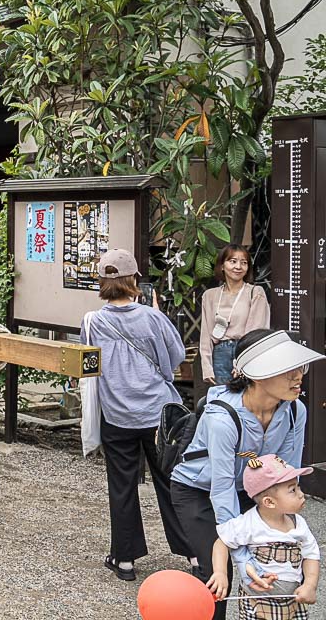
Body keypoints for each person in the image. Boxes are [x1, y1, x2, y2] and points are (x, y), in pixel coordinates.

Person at [171, 328, 324, 620]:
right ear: (257, 375)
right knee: (218, 567)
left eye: (299, 368)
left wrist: (282, 526)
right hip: (199, 490)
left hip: (250, 489)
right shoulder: (222, 419)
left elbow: (285, 476)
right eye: (287, 370)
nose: (298, 377)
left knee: (270, 565)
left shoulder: (295, 411)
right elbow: (222, 487)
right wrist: (243, 558)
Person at [80, 249, 192, 581]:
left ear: (102, 282)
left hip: (117, 414)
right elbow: (174, 357)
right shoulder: (152, 317)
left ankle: (125, 560)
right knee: (172, 482)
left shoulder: (93, 322)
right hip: (157, 413)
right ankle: (195, 554)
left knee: (122, 485)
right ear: (134, 280)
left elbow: (89, 368)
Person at [208, 454, 320, 618]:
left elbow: (311, 554)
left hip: (293, 599)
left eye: (299, 487)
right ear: (269, 502)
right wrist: (220, 573)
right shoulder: (249, 523)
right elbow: (222, 542)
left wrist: (310, 585)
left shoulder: (299, 524)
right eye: (293, 490)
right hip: (256, 600)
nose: (301, 494)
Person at [200, 244, 270, 385]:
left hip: (245, 352)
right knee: (222, 400)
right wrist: (207, 367)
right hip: (219, 354)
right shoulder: (210, 295)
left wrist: (242, 361)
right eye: (233, 261)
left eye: (244, 263)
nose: (238, 267)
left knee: (245, 401)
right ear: (222, 265)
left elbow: (255, 331)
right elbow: (205, 334)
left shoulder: (255, 292)